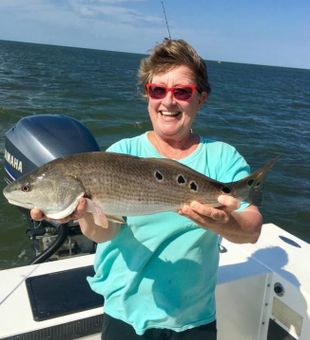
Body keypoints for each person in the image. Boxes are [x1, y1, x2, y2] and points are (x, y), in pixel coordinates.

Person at [31, 39, 263, 340]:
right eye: (158, 90)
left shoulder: (223, 158)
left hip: (194, 320)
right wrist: (83, 214)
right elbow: (104, 233)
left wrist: (227, 223)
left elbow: (253, 229)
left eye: (182, 92)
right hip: (124, 312)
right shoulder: (120, 153)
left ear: (201, 98)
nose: (168, 102)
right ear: (147, 94)